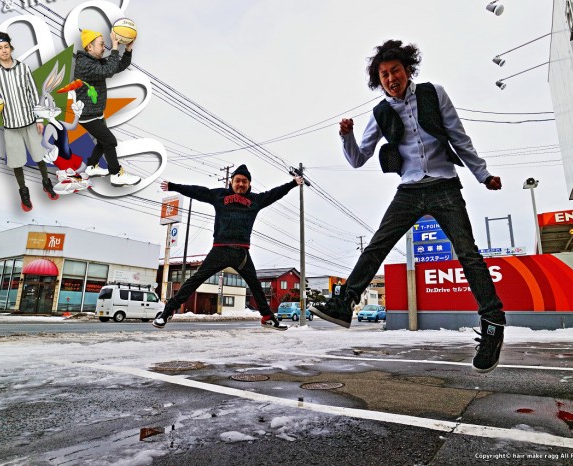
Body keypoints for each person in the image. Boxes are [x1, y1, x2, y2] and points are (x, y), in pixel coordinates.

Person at [310, 40, 506, 373]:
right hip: (410, 189)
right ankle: (344, 303)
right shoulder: (380, 112)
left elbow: (458, 137)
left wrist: (483, 174)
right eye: (384, 75)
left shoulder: (434, 93)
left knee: (468, 254)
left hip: (444, 185)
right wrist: (346, 136)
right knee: (377, 245)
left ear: (407, 69)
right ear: (379, 80)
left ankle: (493, 324)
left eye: (395, 71)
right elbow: (358, 159)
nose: (391, 79)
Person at [153, 165, 303, 330]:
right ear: (231, 182)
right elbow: (198, 191)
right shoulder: (220, 195)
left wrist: (292, 183)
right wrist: (174, 186)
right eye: (238, 180)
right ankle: (167, 312)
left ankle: (267, 318)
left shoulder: (256, 200)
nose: (241, 184)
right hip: (220, 250)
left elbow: (275, 193)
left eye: (244, 181)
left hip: (241, 253)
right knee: (195, 280)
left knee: (255, 285)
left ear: (249, 184)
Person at [0, 32, 59, 211]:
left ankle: (46, 182)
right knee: (16, 162)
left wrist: (39, 118)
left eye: (6, 47)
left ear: (11, 48)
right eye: (0, 48)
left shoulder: (24, 68)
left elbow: (33, 93)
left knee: (39, 156)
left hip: (30, 122)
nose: (4, 50)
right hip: (10, 127)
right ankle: (24, 192)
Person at [73, 29, 140, 187]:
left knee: (103, 141)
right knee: (110, 141)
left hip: (96, 112)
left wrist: (128, 49)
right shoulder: (84, 64)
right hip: (87, 114)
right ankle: (116, 174)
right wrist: (115, 48)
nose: (105, 47)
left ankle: (91, 166)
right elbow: (109, 71)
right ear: (89, 47)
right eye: (102, 44)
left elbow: (118, 66)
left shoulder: (95, 62)